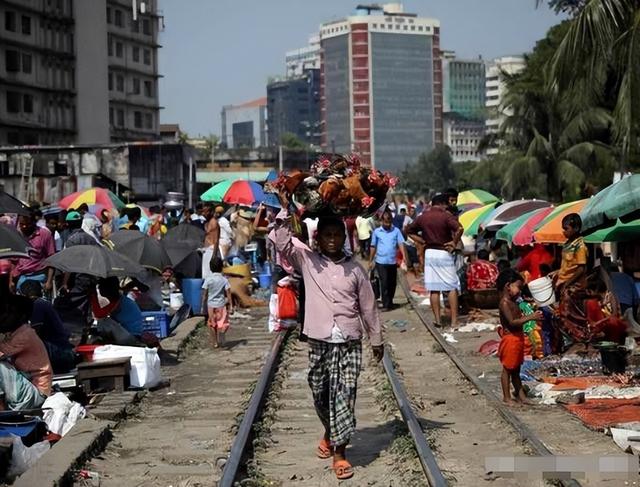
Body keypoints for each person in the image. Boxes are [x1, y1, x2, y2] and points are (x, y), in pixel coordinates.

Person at [273, 191, 383, 481]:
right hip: (319, 339)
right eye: (327, 235)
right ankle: (329, 430)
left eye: (337, 234)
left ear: (344, 239)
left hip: (349, 341)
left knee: (345, 395)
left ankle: (340, 452)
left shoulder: (355, 270)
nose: (333, 239)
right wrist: (287, 210)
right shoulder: (307, 261)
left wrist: (377, 339)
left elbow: (369, 306)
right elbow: (281, 241)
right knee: (320, 392)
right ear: (318, 238)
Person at [407, 194, 464, 327]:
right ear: (443, 204)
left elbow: (409, 231)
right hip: (443, 251)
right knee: (451, 286)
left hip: (430, 253)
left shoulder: (423, 217)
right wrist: (454, 242)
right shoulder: (445, 216)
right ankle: (454, 321)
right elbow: (460, 228)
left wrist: (422, 241)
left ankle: (438, 320)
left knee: (434, 288)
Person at [497, 269, 542, 405]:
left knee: (516, 369)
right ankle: (507, 397)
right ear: (508, 286)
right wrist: (531, 317)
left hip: (517, 338)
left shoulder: (514, 301)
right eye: (518, 287)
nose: (520, 292)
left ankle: (521, 396)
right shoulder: (504, 303)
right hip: (510, 339)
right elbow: (512, 322)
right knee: (507, 369)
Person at [0, 295, 52, 410]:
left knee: (0, 367)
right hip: (29, 386)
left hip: (38, 391)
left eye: (10, 313)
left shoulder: (24, 334)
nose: (4, 316)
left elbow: (3, 351)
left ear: (21, 316)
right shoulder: (17, 333)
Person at [19, 280, 75, 373]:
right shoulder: (43, 304)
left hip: (58, 352)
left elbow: (35, 333)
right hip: (60, 350)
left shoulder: (37, 305)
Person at [369, 211, 409, 311]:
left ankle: (390, 302)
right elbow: (373, 246)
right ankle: (386, 304)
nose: (387, 224)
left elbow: (400, 243)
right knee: (384, 282)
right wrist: (370, 260)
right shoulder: (377, 232)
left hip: (392, 261)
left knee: (392, 283)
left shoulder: (396, 231)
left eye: (389, 222)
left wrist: (404, 257)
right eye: (386, 222)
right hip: (381, 261)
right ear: (382, 221)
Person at [11, 213, 56, 294]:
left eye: (27, 224)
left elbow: (52, 258)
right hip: (22, 278)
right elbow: (13, 261)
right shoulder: (16, 236)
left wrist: (49, 281)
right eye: (22, 224)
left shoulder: (45, 234)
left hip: (40, 277)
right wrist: (11, 281)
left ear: (33, 222)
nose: (24, 227)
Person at [91, 277, 143, 346]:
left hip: (131, 337)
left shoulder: (119, 301)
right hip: (128, 334)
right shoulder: (119, 299)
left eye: (100, 286)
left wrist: (93, 293)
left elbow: (99, 314)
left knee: (104, 321)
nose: (99, 289)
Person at [201, 257, 233, 348]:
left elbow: (205, 294)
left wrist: (202, 306)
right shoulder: (224, 280)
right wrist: (231, 305)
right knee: (223, 322)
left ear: (210, 268)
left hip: (211, 305)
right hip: (221, 305)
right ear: (221, 267)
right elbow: (228, 294)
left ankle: (215, 342)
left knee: (212, 324)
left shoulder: (208, 279)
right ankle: (222, 332)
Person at [554, 213, 588, 295]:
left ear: (576, 228)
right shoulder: (567, 244)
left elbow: (581, 269)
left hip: (574, 286)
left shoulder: (580, 246)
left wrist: (567, 283)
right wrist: (556, 272)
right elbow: (567, 266)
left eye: (566, 229)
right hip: (562, 283)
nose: (564, 232)